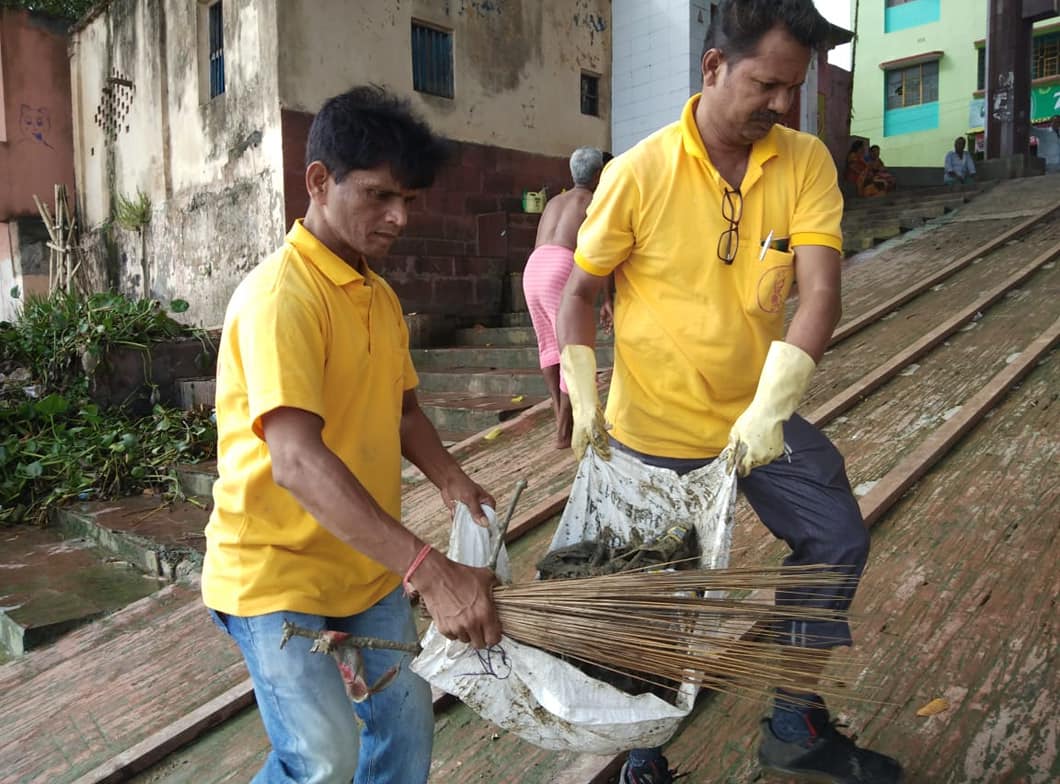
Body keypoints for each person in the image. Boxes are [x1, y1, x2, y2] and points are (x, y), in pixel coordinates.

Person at [557, 2, 903, 783]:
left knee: (836, 538)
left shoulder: (805, 162)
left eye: (793, 88)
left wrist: (771, 409)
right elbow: (579, 293)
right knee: (661, 595)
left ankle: (794, 723)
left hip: (757, 418)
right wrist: (582, 393)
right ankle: (642, 754)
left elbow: (821, 295)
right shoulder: (639, 172)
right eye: (766, 85)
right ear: (714, 67)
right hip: (653, 427)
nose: (781, 104)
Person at [202, 85, 503, 784]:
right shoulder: (282, 297)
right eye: (378, 195)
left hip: (365, 567)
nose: (399, 217)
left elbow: (403, 411)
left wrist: (453, 482)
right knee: (323, 759)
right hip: (274, 575)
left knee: (406, 730)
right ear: (318, 181)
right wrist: (429, 570)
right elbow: (296, 461)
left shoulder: (379, 296)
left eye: (409, 199)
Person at [522, 147, 612, 448]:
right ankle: (564, 430)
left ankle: (559, 414)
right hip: (561, 265)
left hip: (533, 268)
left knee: (549, 345)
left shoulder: (554, 202)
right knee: (572, 347)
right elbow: (600, 251)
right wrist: (608, 299)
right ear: (598, 174)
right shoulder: (594, 201)